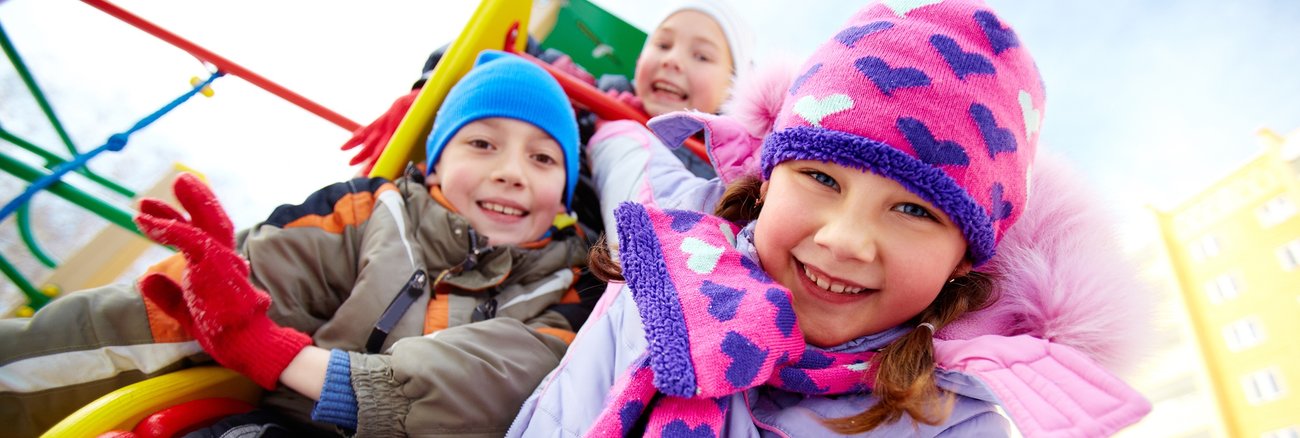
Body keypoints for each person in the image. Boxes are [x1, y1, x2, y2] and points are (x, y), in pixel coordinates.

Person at [508, 0, 1154, 436]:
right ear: (765, 182)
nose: (845, 239)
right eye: (820, 178)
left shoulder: (951, 422)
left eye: (912, 209)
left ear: (963, 258)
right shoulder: (662, 282)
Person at [0, 50, 595, 437]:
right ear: (434, 165)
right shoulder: (374, 212)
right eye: (483, 145)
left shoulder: (564, 288)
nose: (513, 171)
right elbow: (261, 286)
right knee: (178, 319)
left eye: (544, 158)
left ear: (567, 195)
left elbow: (486, 387)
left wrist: (277, 354)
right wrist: (225, 303)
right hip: (281, 424)